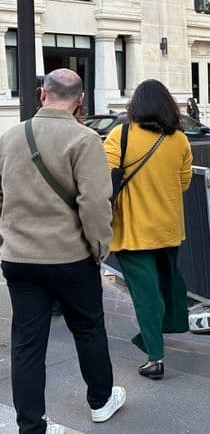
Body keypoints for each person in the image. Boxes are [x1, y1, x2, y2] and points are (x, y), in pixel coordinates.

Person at [0, 69, 126, 433]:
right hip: (71, 257)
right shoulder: (85, 140)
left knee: (26, 343)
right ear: (80, 100)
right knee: (88, 329)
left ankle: (31, 426)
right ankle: (100, 401)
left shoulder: (9, 138)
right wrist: (99, 247)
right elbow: (95, 205)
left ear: (43, 95)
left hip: (19, 257)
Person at [104, 80, 193, 381]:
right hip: (168, 228)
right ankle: (159, 330)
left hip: (133, 230)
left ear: (136, 106)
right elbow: (184, 183)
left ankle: (154, 356)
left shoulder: (121, 135)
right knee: (165, 284)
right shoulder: (180, 140)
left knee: (145, 294)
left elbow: (104, 178)